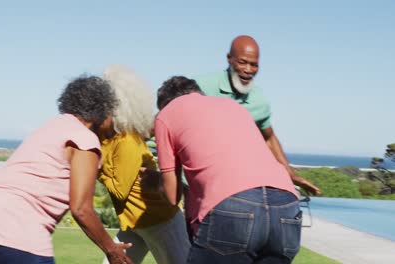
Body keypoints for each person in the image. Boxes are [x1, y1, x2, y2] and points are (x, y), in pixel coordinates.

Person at [0, 76, 133, 264]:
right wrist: (112, 249)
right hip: (17, 223)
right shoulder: (84, 138)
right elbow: (81, 209)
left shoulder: (54, 126)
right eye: (112, 113)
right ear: (100, 111)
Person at [155, 76, 304, 263]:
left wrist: (155, 182)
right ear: (198, 93)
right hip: (286, 204)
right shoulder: (233, 106)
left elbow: (171, 196)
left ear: (164, 103)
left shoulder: (166, 115)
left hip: (234, 206)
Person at [194, 35, 320, 196]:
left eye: (254, 65)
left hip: (226, 188)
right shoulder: (202, 86)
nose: (248, 70)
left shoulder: (259, 101)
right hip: (190, 182)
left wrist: (291, 174)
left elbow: (268, 138)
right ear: (229, 59)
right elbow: (170, 121)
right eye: (242, 62)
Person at [99, 65, 190, 264]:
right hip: (135, 223)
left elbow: (120, 190)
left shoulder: (127, 140)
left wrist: (96, 169)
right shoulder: (110, 137)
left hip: (161, 221)